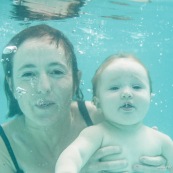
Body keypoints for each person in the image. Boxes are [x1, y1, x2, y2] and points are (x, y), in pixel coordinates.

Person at [0, 24, 166, 173]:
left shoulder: (104, 117)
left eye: (56, 72)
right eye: (28, 74)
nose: (44, 87)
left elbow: (142, 141)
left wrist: (156, 160)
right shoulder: (3, 146)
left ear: (76, 81)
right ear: (12, 85)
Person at [55, 53, 173, 173]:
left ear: (150, 98)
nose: (127, 93)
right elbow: (73, 156)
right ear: (97, 102)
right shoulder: (96, 134)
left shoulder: (162, 141)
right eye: (114, 88)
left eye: (136, 87)